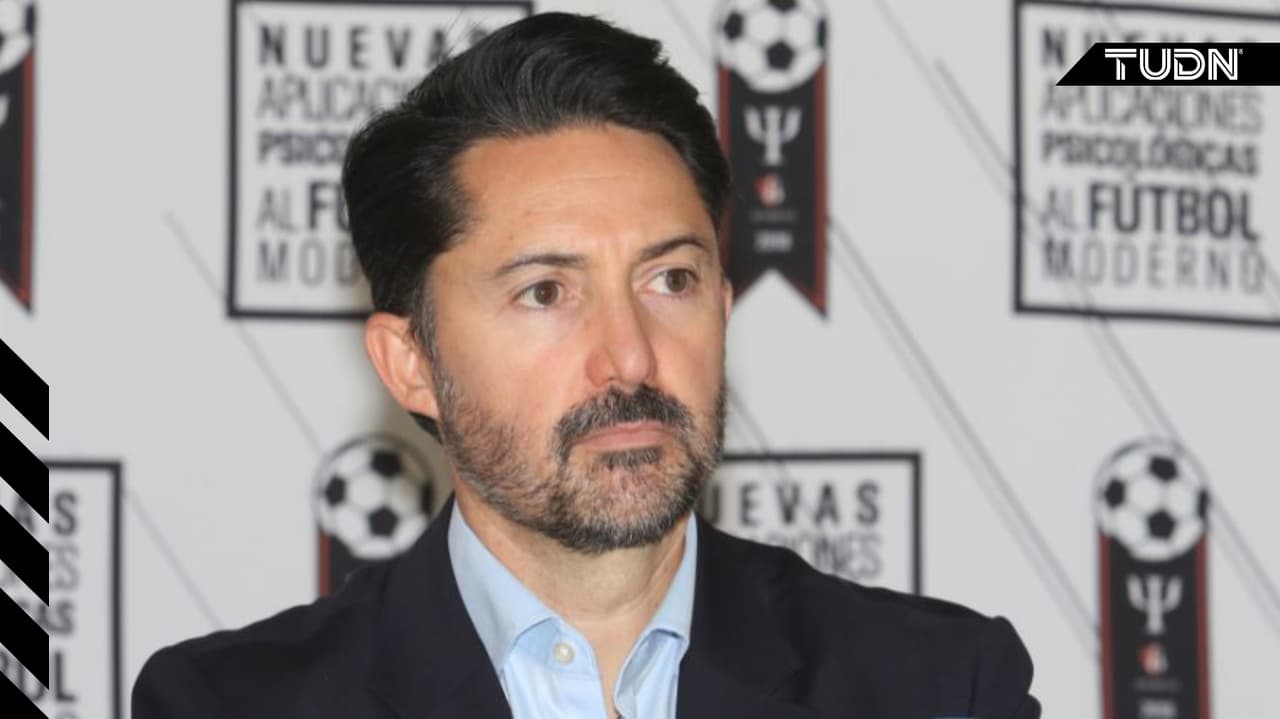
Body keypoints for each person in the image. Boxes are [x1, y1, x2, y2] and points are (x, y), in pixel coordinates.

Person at [132, 12, 1039, 719]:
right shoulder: (230, 704)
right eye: (546, 292)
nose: (630, 356)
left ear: (723, 308)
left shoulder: (940, 686)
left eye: (671, 279)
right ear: (410, 363)